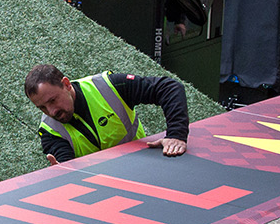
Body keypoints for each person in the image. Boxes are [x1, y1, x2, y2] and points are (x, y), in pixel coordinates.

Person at [25, 64, 189, 164]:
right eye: (42, 108)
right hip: (103, 190)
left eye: (53, 100)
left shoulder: (110, 86)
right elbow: (66, 166)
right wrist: (62, 173)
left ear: (66, 84)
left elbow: (169, 88)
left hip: (144, 168)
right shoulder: (48, 130)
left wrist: (176, 134)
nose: (51, 112)